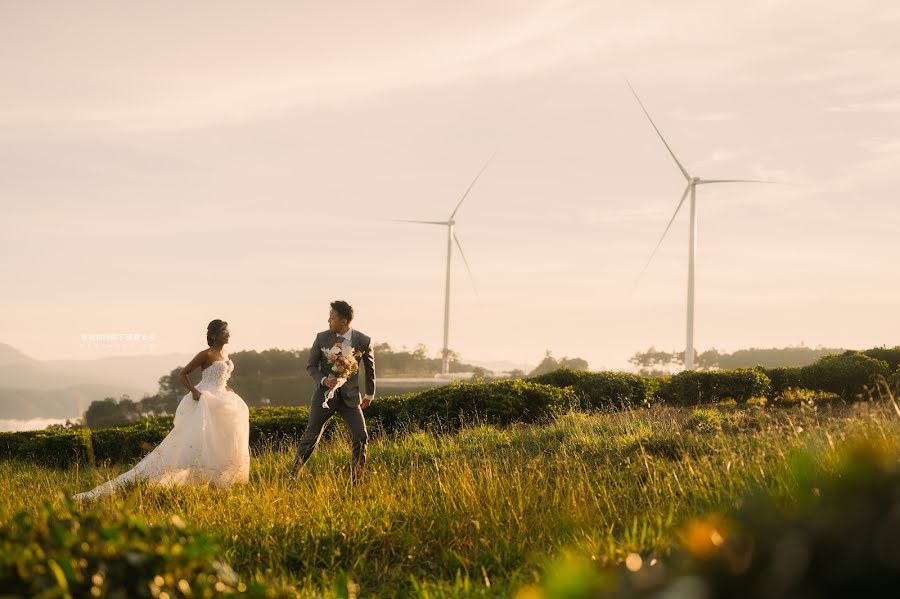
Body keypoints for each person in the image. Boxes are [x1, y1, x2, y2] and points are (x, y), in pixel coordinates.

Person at [72, 319, 250, 500]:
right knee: (199, 441)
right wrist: (194, 391)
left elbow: (222, 378)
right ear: (214, 335)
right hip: (206, 399)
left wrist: (227, 388)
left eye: (227, 331)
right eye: (224, 332)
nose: (228, 334)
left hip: (221, 399)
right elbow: (183, 374)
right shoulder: (206, 354)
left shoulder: (225, 354)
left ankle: (218, 483)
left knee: (221, 439)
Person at [290, 300, 375, 484]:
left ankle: (356, 480)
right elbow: (311, 366)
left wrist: (369, 395)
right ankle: (292, 477)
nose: (328, 320)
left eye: (332, 317)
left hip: (351, 399)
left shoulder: (363, 340)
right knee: (311, 437)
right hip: (324, 397)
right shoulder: (321, 338)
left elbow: (370, 368)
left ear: (344, 320)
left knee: (361, 436)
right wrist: (324, 380)